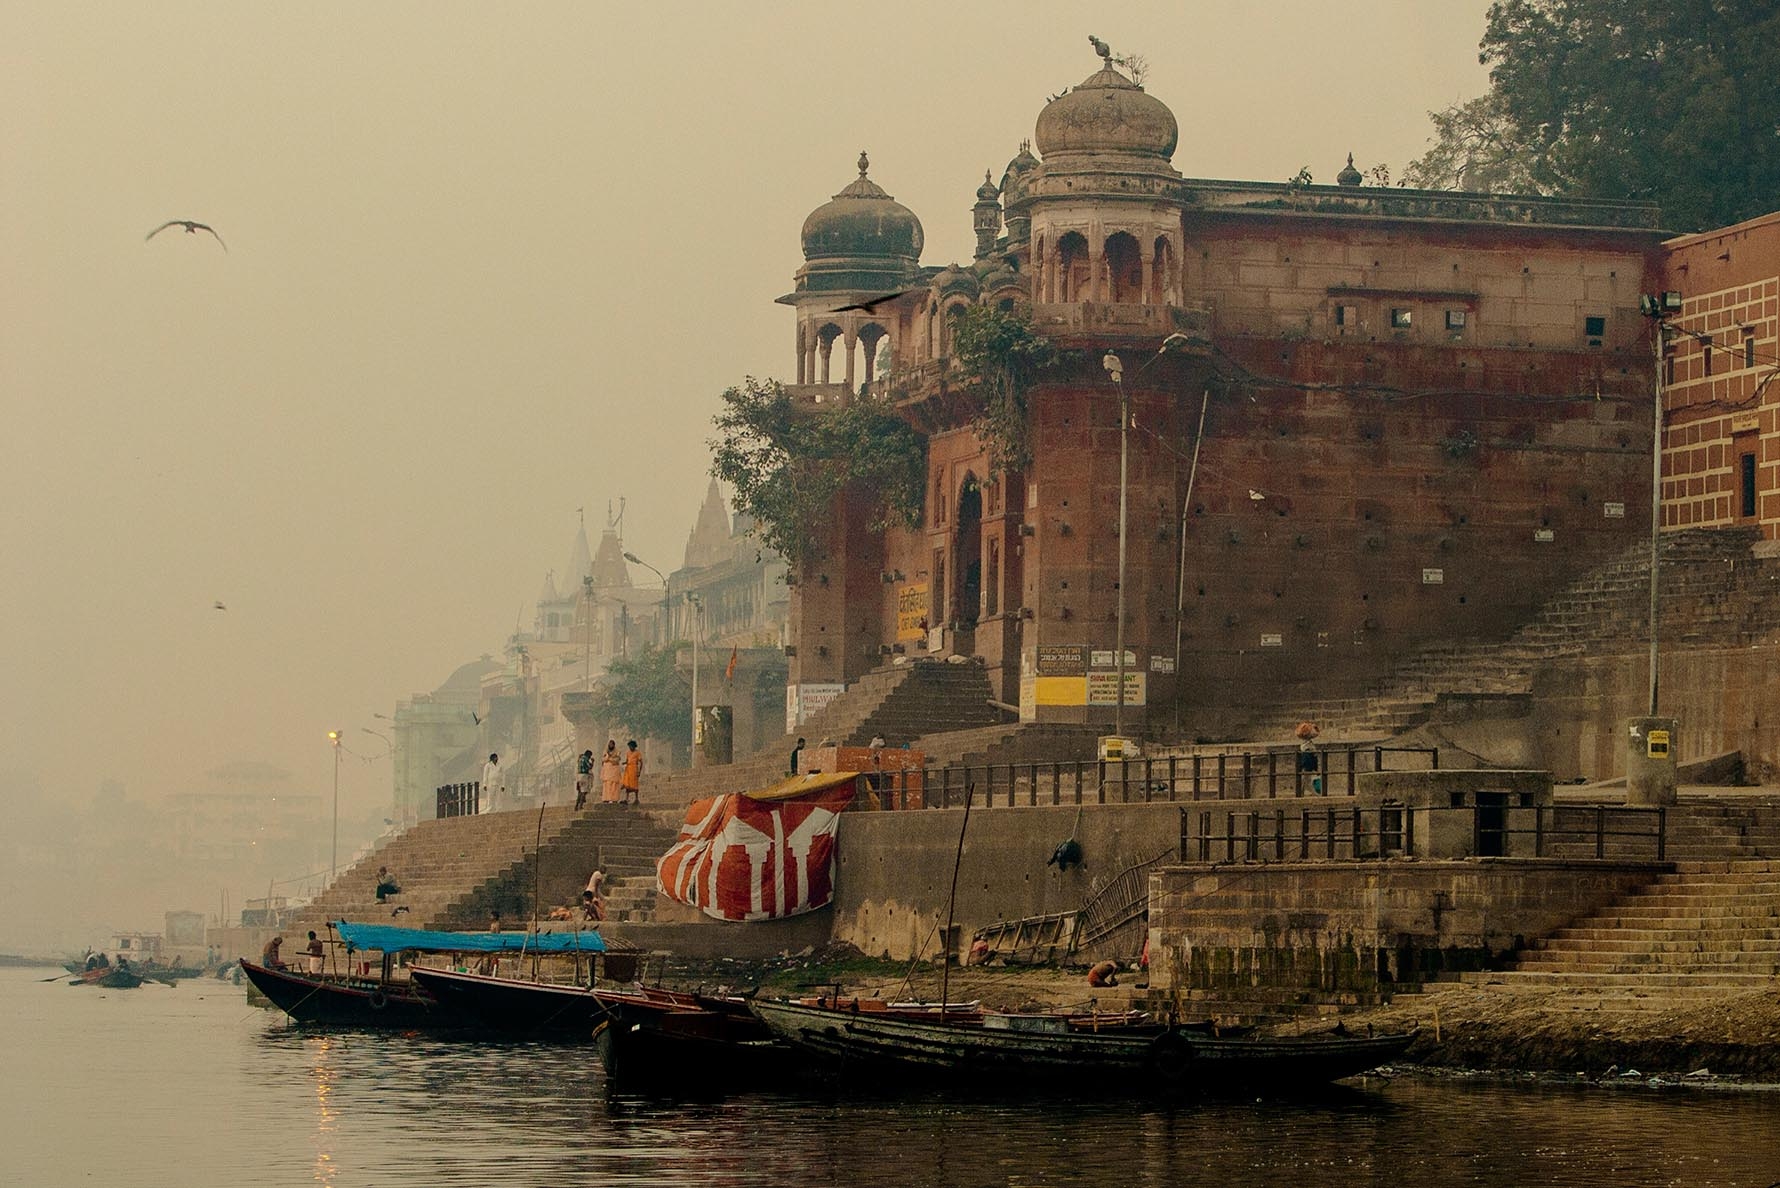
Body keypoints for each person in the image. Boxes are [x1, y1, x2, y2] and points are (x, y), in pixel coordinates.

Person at [620, 739, 643, 805]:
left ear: (634, 746)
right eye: (629, 746)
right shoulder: (628, 752)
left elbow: (641, 762)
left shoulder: (637, 753)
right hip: (628, 769)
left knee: (635, 785)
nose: (630, 748)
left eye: (631, 746)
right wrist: (625, 763)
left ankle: (636, 799)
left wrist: (639, 771)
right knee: (627, 784)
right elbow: (627, 760)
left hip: (634, 769)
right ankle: (626, 799)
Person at [599, 740, 622, 804]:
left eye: (612, 744)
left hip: (614, 770)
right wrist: (608, 756)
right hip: (606, 771)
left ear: (614, 745)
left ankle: (614, 799)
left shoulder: (617, 752)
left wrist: (609, 758)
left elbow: (617, 760)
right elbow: (603, 759)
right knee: (607, 785)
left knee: (614, 785)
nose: (610, 745)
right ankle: (606, 798)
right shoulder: (605, 751)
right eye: (610, 744)